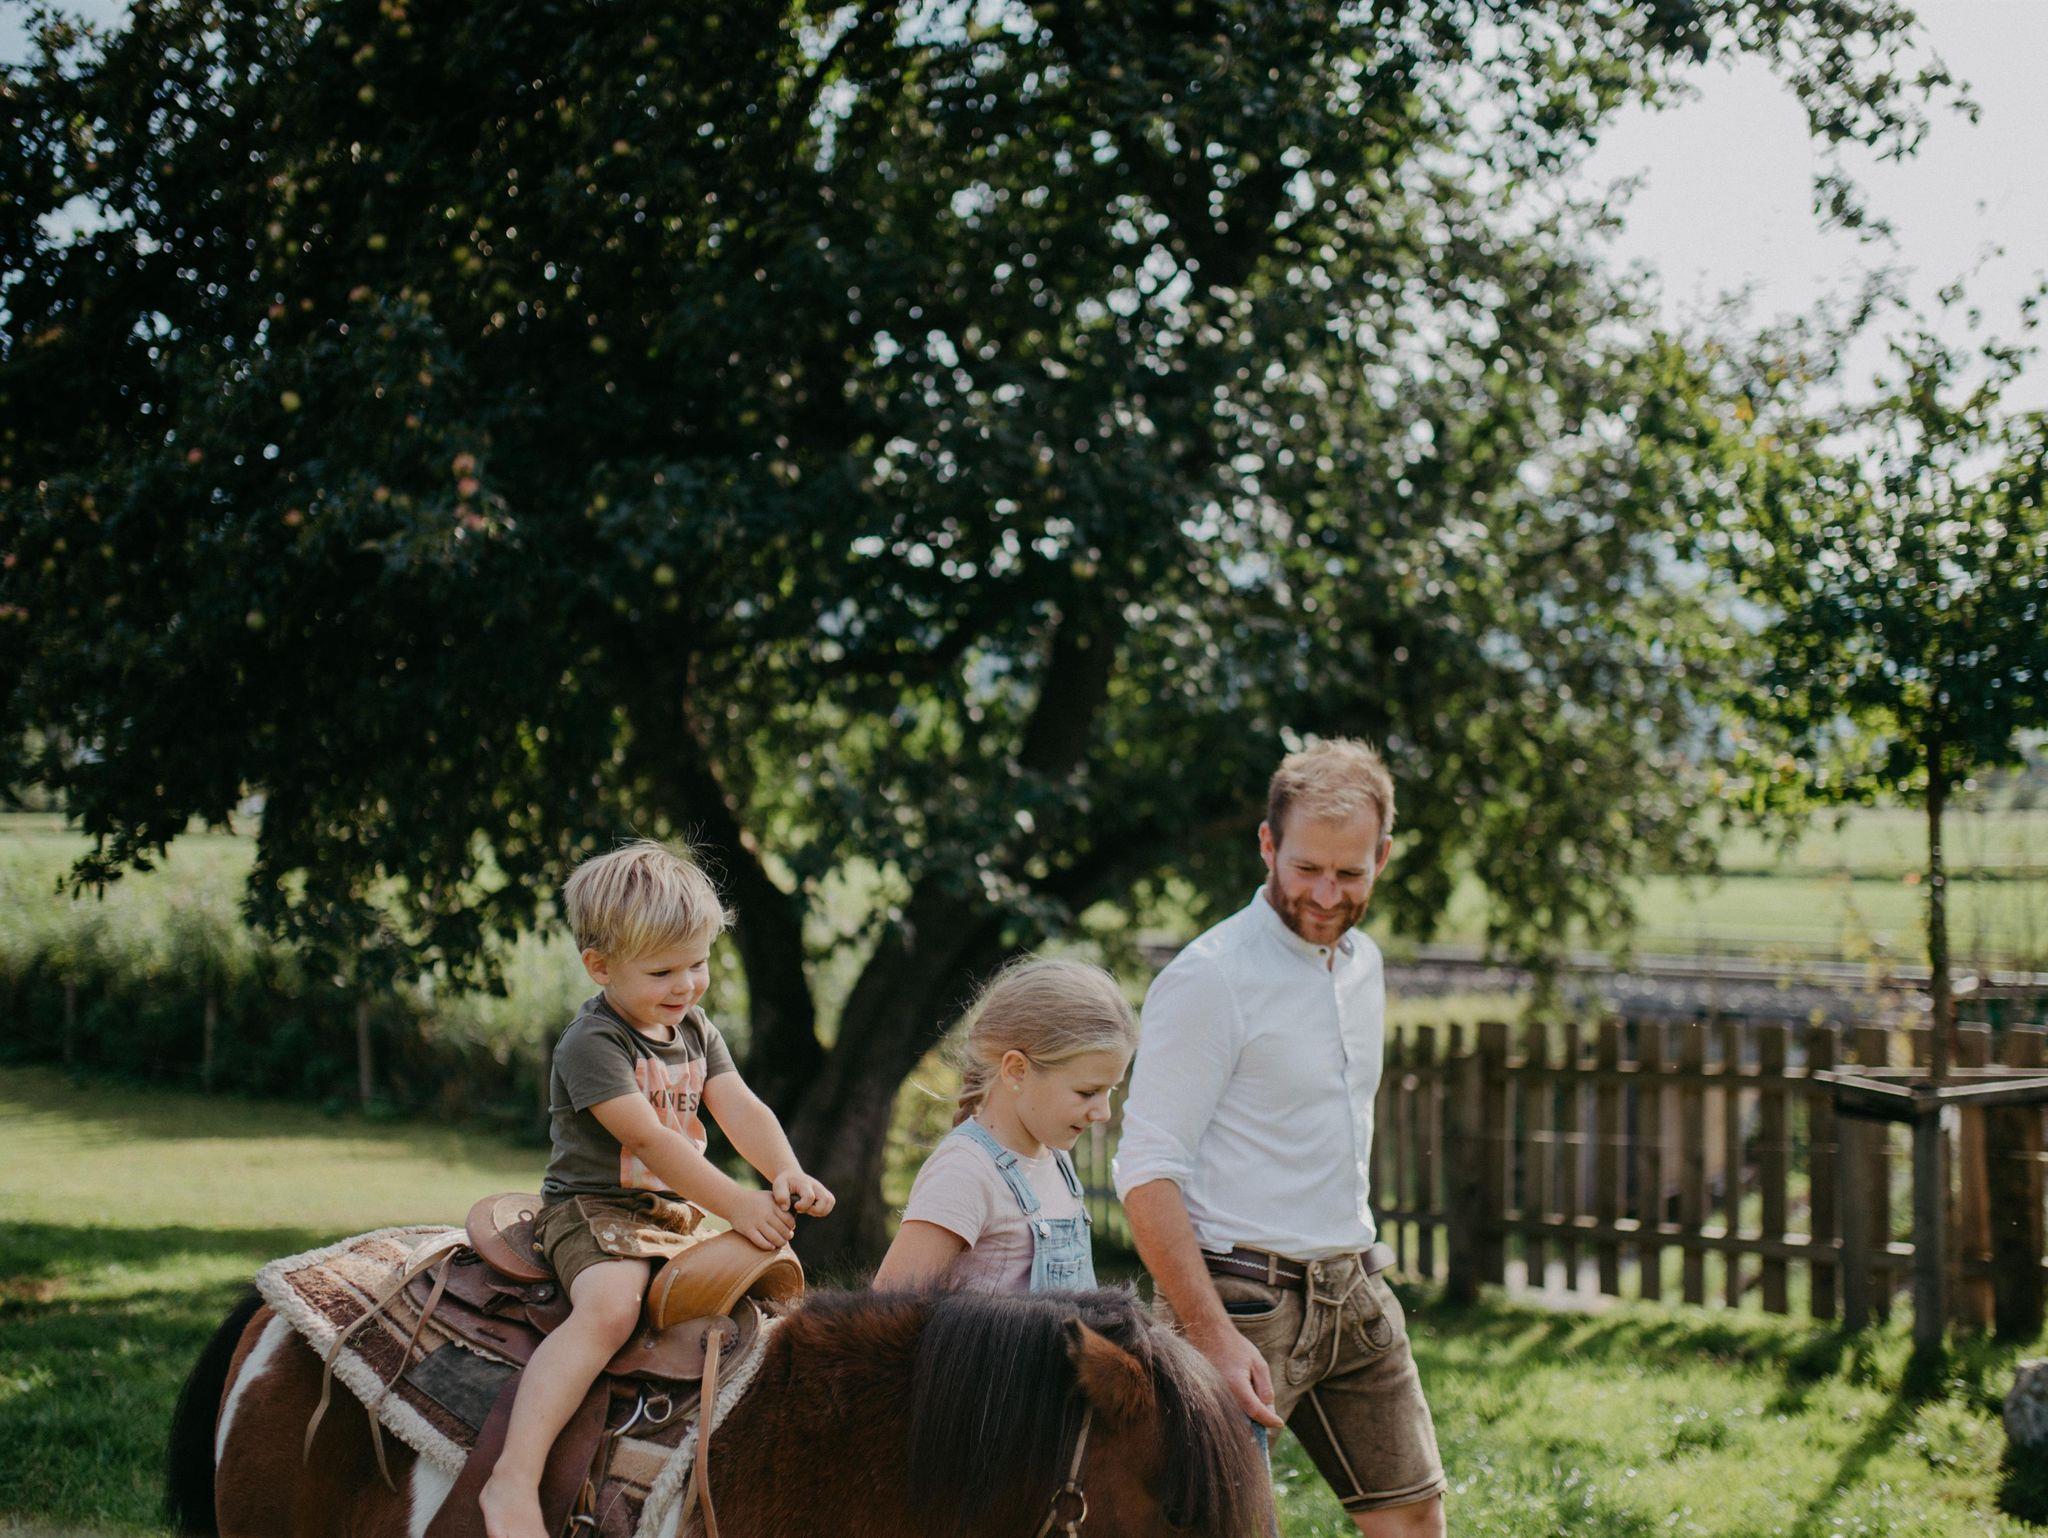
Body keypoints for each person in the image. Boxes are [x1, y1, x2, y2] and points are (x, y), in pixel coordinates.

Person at [1115, 739, 1448, 1537]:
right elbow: (1146, 1174)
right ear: (1267, 844)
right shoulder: (1210, 977)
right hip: (1237, 1301)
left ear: (1383, 857)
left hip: (1353, 1290)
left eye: (1349, 873)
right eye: (1306, 868)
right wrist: (1211, 1335)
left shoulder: (1363, 965)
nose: (1326, 895)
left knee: (1414, 1521)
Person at [479, 840, 835, 1538]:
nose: (686, 986)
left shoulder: (693, 1027)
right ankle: (512, 1479)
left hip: (673, 1213)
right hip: (594, 1211)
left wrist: (783, 1171)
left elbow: (739, 1106)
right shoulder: (593, 1043)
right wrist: (737, 1204)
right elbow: (649, 1141)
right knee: (611, 1310)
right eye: (663, 971)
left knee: (766, 1305)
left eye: (698, 964)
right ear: (600, 967)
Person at [872, 958, 1135, 1293]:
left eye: (1109, 1091)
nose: (1103, 1113)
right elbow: (889, 1308)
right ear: (1016, 1071)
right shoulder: (966, 1171)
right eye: (1087, 1092)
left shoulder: (1057, 1161)